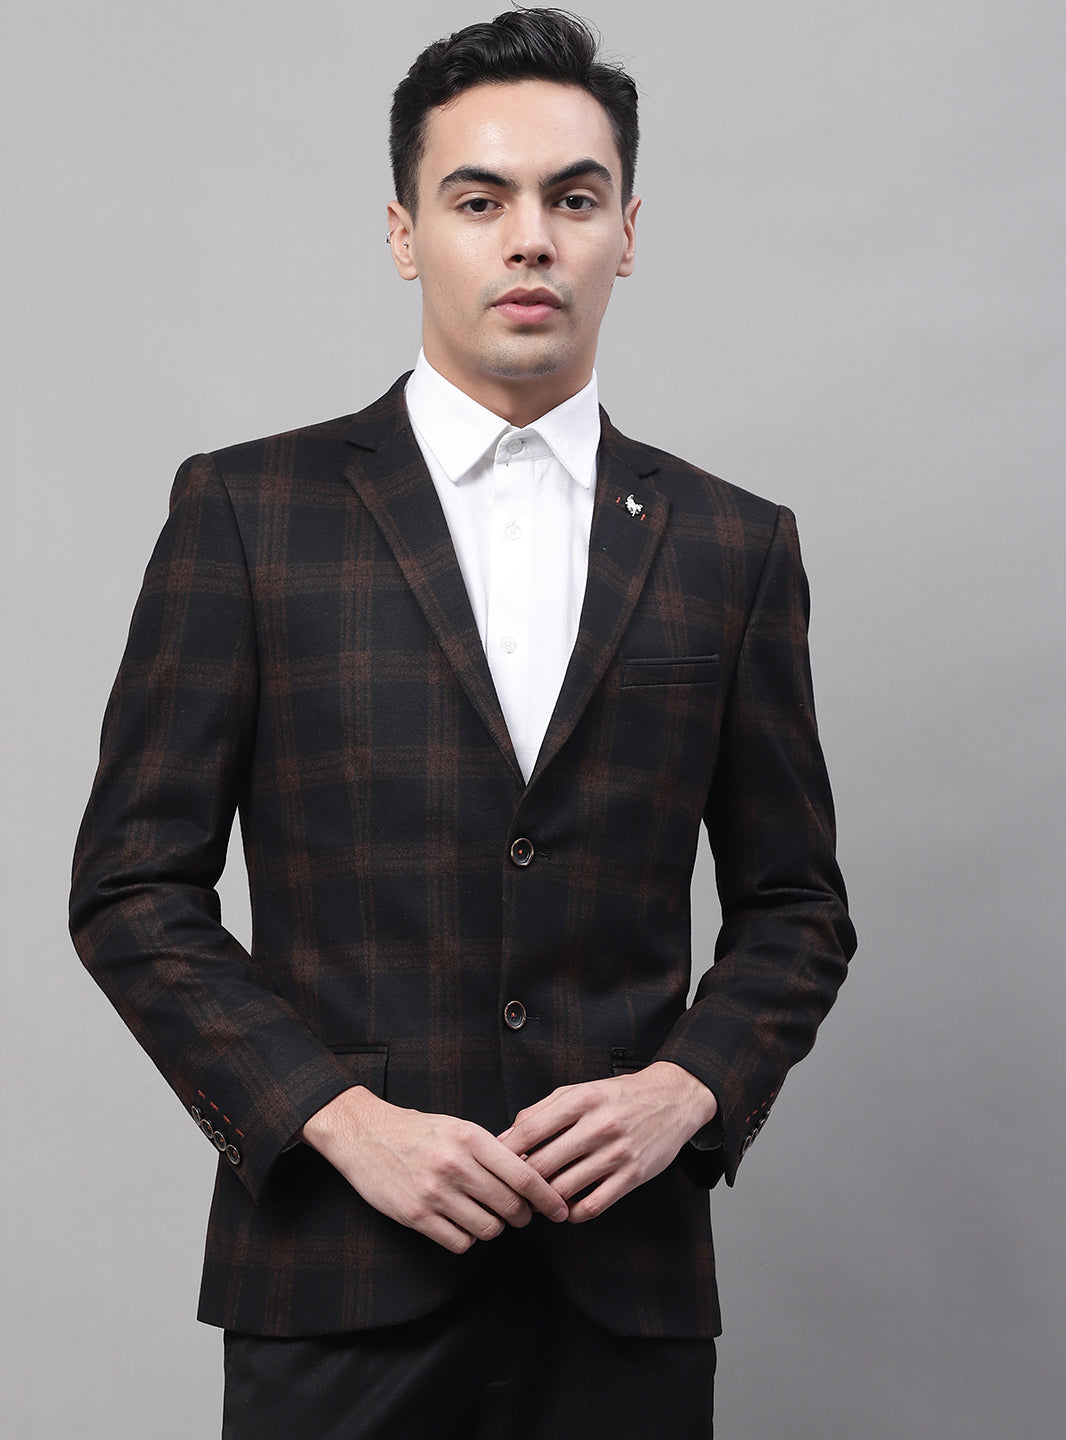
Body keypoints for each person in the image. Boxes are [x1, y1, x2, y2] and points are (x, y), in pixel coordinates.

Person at [70, 10, 855, 1438]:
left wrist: (690, 1087)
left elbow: (797, 905)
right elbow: (131, 888)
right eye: (479, 200)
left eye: (575, 199)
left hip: (623, 1289)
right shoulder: (248, 513)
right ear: (403, 233)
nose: (531, 240)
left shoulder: (732, 545)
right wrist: (335, 1118)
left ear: (628, 233)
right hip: (335, 1280)